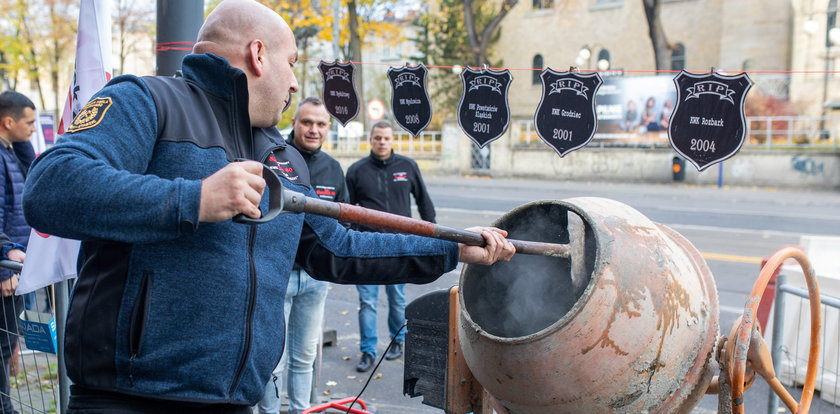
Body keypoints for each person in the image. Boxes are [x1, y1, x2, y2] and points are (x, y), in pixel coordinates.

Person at [22, 1, 515, 413]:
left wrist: (455, 248)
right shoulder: (146, 100)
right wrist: (194, 199)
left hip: (242, 400)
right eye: (294, 62)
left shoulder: (283, 157)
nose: (297, 83)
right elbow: (52, 187)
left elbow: (338, 250)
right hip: (127, 400)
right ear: (258, 54)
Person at [257, 97, 346, 414]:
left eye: (321, 124)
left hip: (314, 281)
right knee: (272, 358)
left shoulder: (334, 169)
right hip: (276, 275)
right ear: (294, 122)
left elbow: (341, 225)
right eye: (307, 122)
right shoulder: (272, 157)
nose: (313, 129)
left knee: (305, 355)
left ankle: (300, 409)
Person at [345, 121, 436, 373]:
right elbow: (346, 211)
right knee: (368, 302)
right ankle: (368, 351)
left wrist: (433, 234)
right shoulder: (356, 171)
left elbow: (423, 202)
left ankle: (398, 341)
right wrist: (350, 241)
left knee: (397, 299)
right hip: (366, 248)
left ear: (392, 139)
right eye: (377, 138)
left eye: (386, 138)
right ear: (371, 140)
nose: (382, 142)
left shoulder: (408, 167)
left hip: (399, 246)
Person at [0, 90, 37, 414]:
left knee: (8, 341)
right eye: (30, 122)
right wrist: (2, 270)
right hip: (6, 267)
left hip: (15, 260)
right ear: (8, 121)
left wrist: (21, 140)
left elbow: (32, 170)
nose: (34, 129)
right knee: (2, 345)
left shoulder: (11, 150)